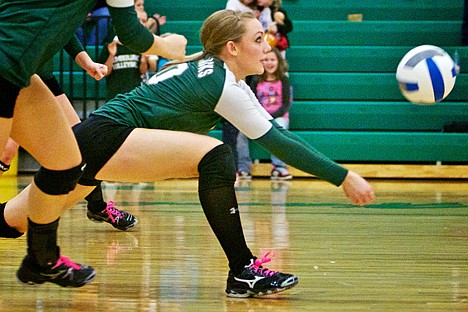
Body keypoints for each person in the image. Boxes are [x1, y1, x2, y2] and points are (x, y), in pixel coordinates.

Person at [1, 10, 374, 296]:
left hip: (101, 139)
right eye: (259, 39)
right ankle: (243, 271)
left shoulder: (211, 70)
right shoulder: (221, 81)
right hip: (109, 136)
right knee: (216, 155)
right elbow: (280, 143)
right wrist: (343, 177)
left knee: (11, 221)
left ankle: (244, 271)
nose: (267, 47)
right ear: (232, 47)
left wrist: (339, 173)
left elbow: (277, 134)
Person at [0, 0, 187, 289]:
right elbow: (132, 35)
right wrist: (166, 46)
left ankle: (42, 260)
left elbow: (54, 18)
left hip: (21, 72)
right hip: (6, 64)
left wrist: (82, 59)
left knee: (65, 164)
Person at [237, 47, 292, 180]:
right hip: (258, 115)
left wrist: (269, 117)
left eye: (272, 59)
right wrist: (259, 116)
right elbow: (251, 100)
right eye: (266, 60)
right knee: (241, 133)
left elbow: (286, 105)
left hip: (278, 117)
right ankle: (244, 168)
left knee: (280, 128)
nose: (269, 63)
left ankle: (279, 167)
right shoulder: (256, 80)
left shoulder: (284, 80)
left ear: (278, 61)